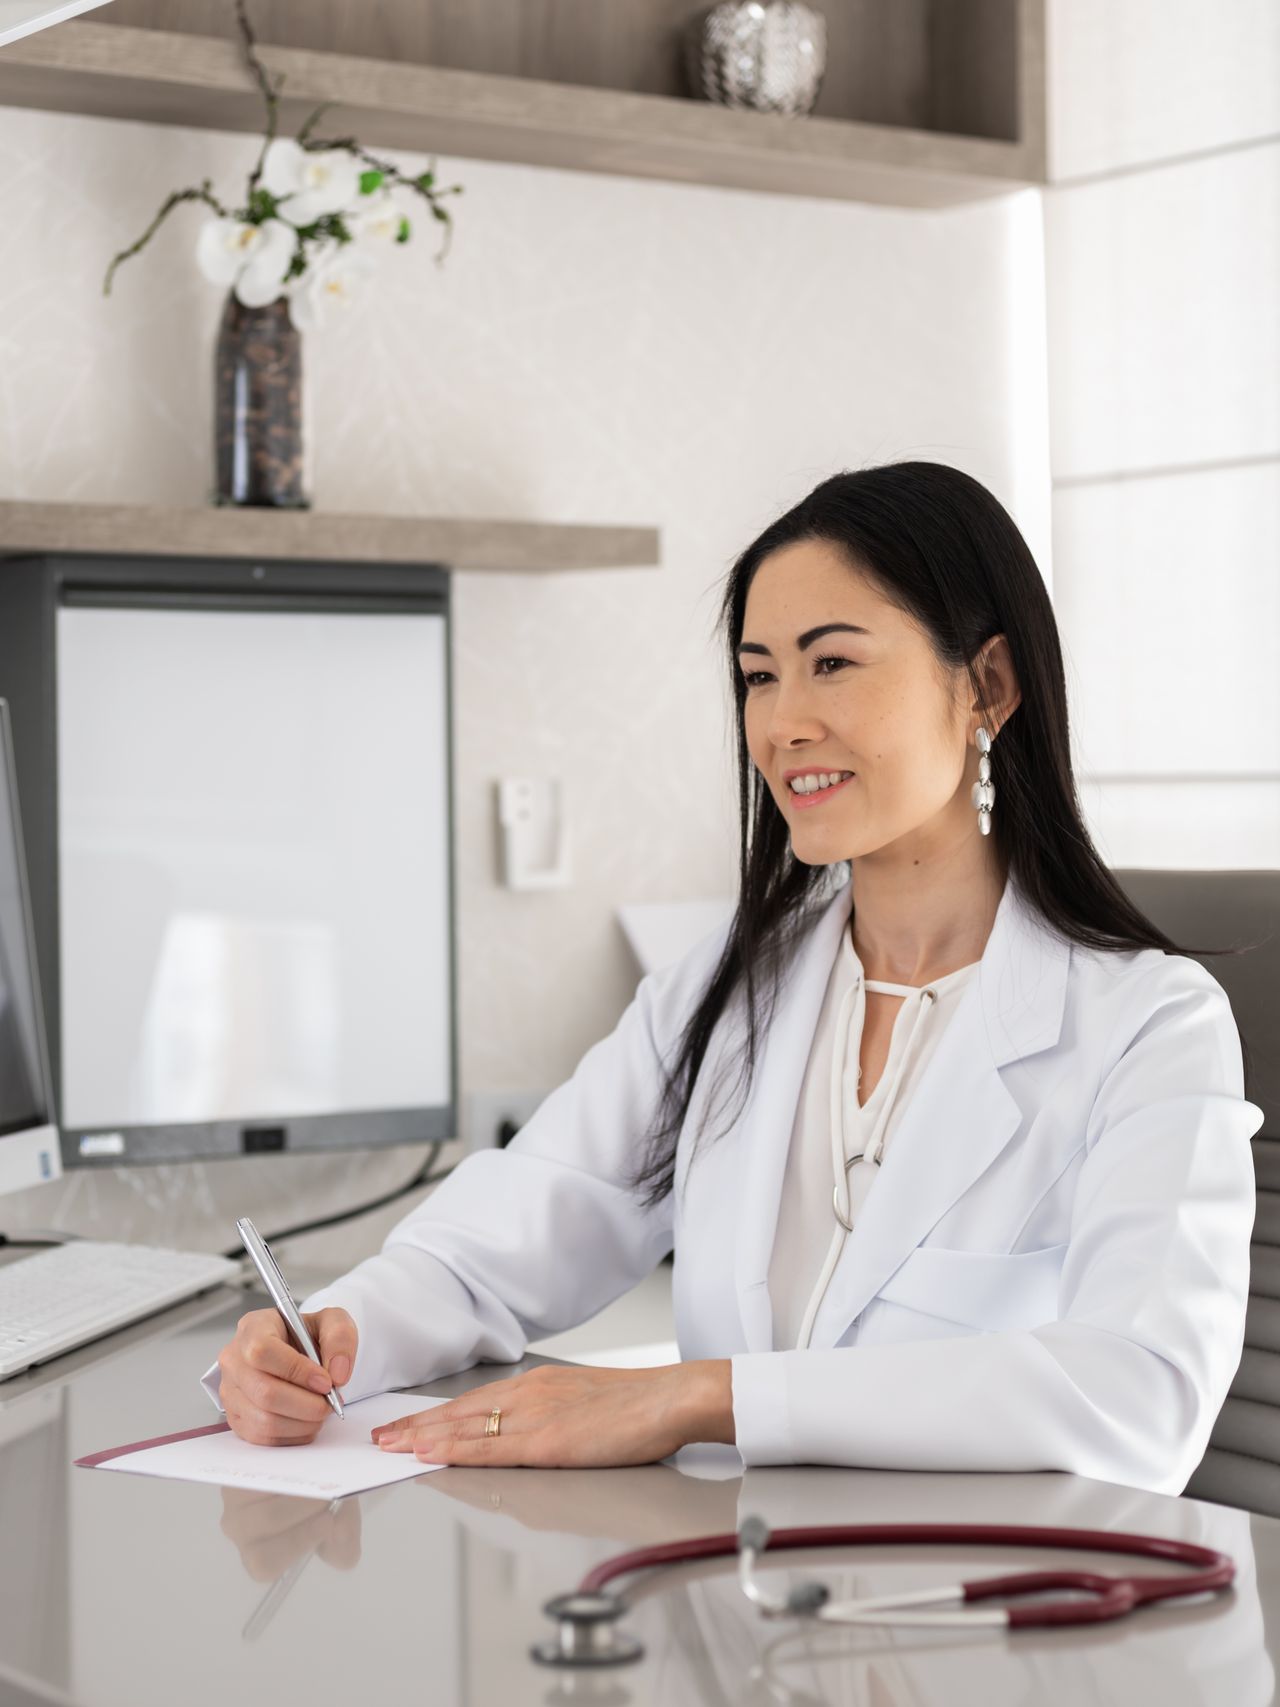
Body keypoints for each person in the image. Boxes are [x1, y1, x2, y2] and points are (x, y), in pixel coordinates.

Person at [205, 461, 1263, 1495]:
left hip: (985, 1626)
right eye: (758, 675)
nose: (780, 722)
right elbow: (507, 1236)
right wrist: (335, 1336)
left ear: (986, 684)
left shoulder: (1147, 1025)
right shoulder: (723, 989)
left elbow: (1139, 1392)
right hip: (741, 1609)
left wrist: (702, 1398)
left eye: (831, 663)